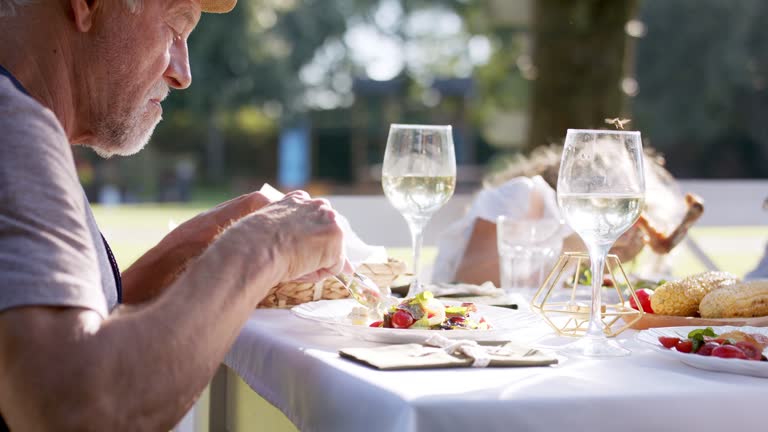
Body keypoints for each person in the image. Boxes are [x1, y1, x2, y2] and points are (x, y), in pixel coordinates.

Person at [0, 1, 351, 430]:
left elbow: (38, 341)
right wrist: (266, 244)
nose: (183, 74)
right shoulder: (11, 126)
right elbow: (76, 408)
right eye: (174, 28)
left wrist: (185, 251)